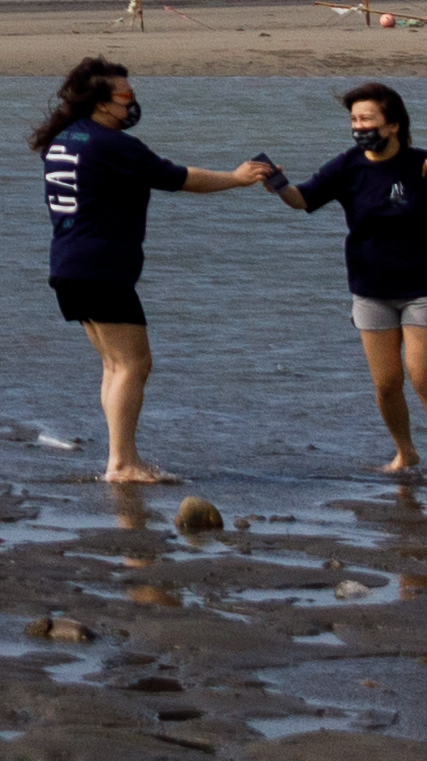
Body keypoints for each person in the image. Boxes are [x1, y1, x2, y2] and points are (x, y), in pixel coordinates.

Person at [34, 58, 284, 485]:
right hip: (100, 269)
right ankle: (122, 463)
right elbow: (179, 178)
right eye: (126, 96)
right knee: (134, 364)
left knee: (116, 365)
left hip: (69, 266)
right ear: (100, 102)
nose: (132, 104)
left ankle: (120, 459)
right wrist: (237, 177)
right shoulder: (111, 144)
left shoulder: (64, 139)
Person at [274, 79, 427, 480]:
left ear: (393, 125)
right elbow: (301, 199)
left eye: (368, 119)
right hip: (370, 291)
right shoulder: (346, 167)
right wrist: (274, 182)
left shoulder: (423, 165)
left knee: (424, 379)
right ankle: (405, 453)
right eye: (355, 120)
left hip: (422, 289)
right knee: (387, 386)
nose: (360, 127)